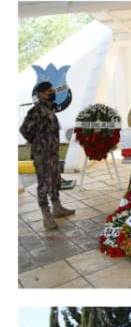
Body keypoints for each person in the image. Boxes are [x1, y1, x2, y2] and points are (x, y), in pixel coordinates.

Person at [20, 80, 73, 230]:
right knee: (44, 184)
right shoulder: (36, 111)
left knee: (55, 180)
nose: (52, 92)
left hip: (52, 154)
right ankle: (46, 216)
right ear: (40, 94)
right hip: (42, 155)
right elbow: (24, 130)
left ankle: (57, 207)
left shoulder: (49, 109)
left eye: (52, 90)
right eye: (49, 91)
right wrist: (38, 143)